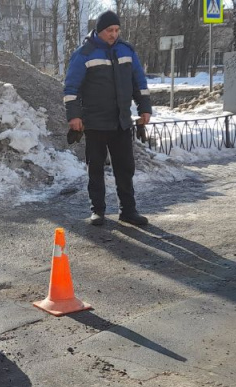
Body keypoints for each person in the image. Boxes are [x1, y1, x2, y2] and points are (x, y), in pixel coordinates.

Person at [63, 10, 152, 227]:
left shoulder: (127, 51)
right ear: (99, 31)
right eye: (109, 30)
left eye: (116, 30)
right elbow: (71, 87)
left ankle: (128, 211)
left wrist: (144, 109)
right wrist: (74, 116)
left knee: (125, 167)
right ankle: (98, 211)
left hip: (121, 121)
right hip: (94, 123)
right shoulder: (84, 53)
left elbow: (139, 82)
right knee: (95, 168)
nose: (114, 34)